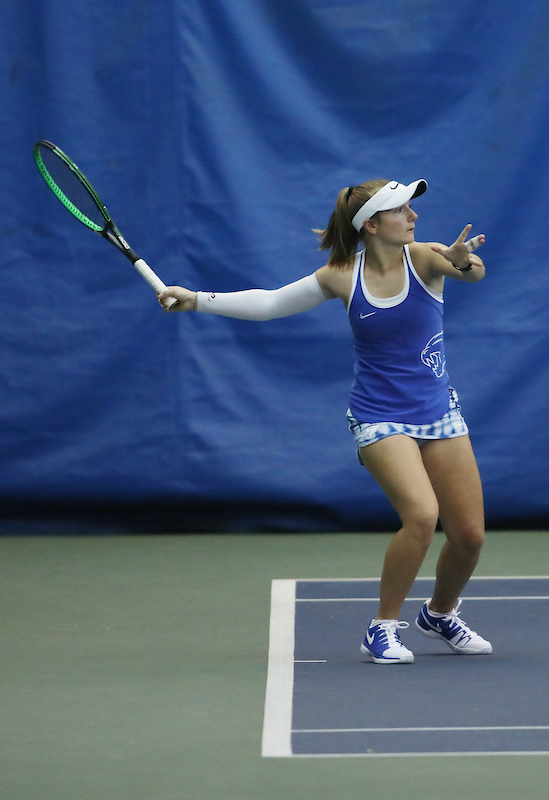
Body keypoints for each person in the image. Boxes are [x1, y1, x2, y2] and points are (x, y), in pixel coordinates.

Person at [158, 178, 492, 665]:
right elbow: (271, 304)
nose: (413, 217)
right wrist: (197, 299)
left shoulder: (425, 257)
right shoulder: (340, 275)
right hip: (378, 415)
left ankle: (439, 615)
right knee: (421, 516)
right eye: (401, 210)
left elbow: (473, 272)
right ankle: (382, 628)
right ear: (372, 224)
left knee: (469, 536)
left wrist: (464, 260)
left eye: (411, 209)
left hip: (440, 411)